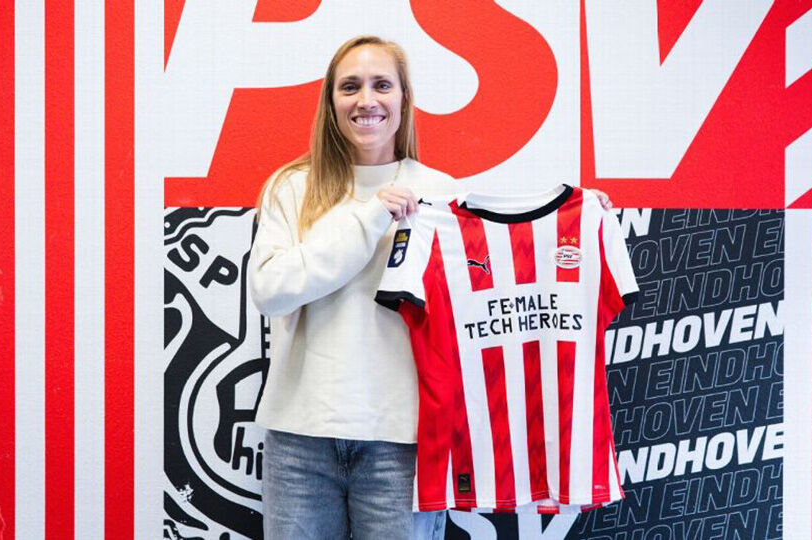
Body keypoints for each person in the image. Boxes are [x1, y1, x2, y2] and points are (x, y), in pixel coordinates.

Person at [248, 35, 612, 540]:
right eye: (350, 87)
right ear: (331, 102)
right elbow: (270, 290)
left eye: (382, 85)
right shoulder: (291, 188)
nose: (366, 100)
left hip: (402, 443)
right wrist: (371, 217)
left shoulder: (441, 193)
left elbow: (504, 268)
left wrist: (577, 220)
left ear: (404, 99)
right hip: (299, 440)